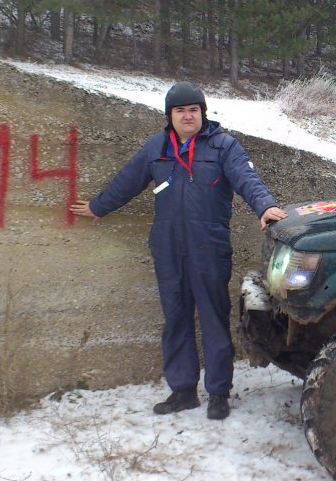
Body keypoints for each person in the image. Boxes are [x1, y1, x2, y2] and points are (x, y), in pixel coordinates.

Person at [70, 81, 287, 420]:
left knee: (214, 318)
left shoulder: (224, 146)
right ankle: (183, 390)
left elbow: (248, 180)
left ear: (203, 113)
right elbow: (127, 181)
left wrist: (265, 206)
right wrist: (99, 206)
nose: (188, 116)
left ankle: (218, 393)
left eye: (193, 110)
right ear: (169, 116)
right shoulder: (156, 147)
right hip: (168, 246)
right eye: (180, 110)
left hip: (208, 246)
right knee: (176, 318)